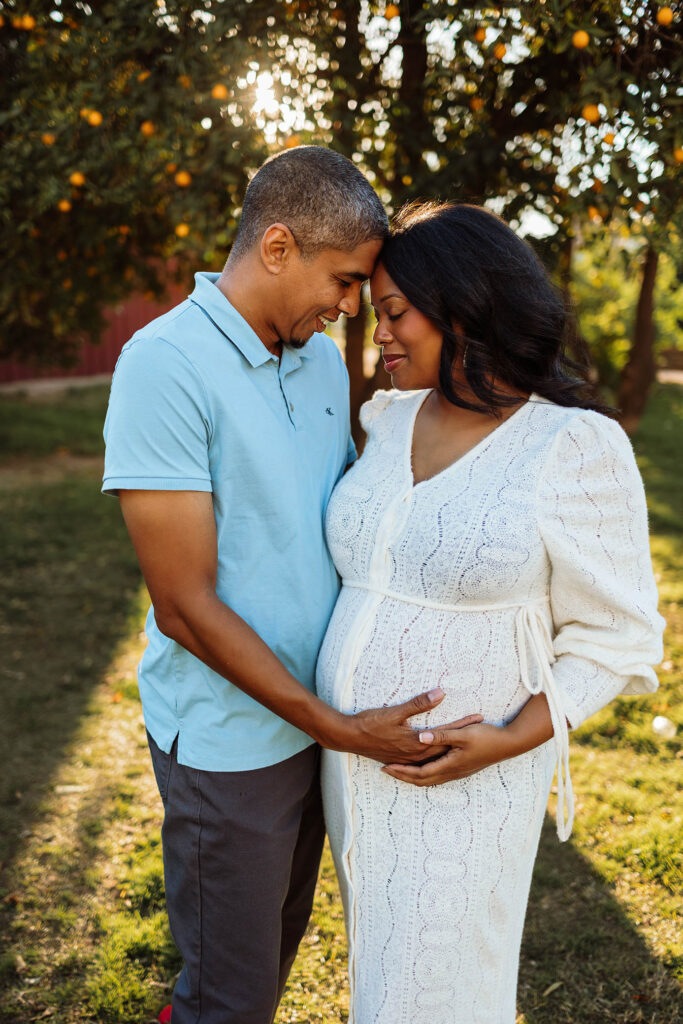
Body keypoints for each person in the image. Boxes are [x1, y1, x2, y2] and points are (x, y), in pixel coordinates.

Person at [101, 150, 475, 1024]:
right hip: (235, 744)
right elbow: (184, 607)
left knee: (270, 957)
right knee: (228, 998)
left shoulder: (310, 359)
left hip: (319, 724)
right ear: (277, 246)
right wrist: (336, 727)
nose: (350, 308)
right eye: (344, 281)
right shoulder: (163, 365)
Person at [317, 201, 666, 1024]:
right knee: (381, 973)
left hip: (466, 778)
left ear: (465, 306)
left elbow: (619, 637)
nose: (380, 339)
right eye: (375, 316)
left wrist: (511, 739)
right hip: (352, 768)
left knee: (433, 991)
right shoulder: (387, 417)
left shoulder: (571, 445)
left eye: (396, 314)